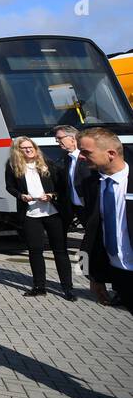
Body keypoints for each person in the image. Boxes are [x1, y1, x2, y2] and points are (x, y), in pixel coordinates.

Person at [4, 137, 74, 299]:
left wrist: (51, 195)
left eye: (30, 147)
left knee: (60, 251)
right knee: (35, 251)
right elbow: (9, 186)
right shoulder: (13, 166)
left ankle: (67, 288)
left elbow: (62, 187)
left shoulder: (48, 163)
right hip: (30, 214)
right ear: (18, 151)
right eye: (23, 148)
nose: (28, 150)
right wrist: (21, 196)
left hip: (53, 213)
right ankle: (39, 286)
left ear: (35, 148)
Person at [76, 126, 133, 313]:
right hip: (120, 274)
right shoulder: (91, 184)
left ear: (111, 153)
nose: (81, 157)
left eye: (86, 152)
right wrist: (94, 277)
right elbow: (92, 232)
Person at [50, 125, 92, 230]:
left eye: (60, 138)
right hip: (77, 208)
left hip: (89, 207)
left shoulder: (87, 157)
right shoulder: (68, 158)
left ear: (73, 139)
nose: (57, 141)